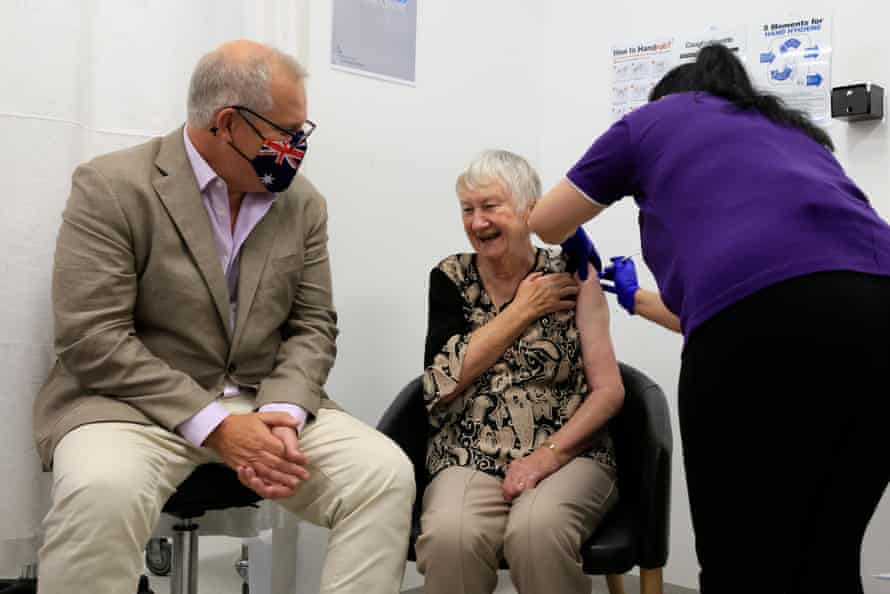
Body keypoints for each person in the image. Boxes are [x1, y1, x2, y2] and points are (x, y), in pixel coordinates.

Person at [33, 40, 414, 594]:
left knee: (383, 475)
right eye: (286, 134)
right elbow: (92, 337)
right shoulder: (113, 186)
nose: (296, 148)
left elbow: (313, 326)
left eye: (302, 132)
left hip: (263, 399)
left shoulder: (302, 203)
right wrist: (215, 424)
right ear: (228, 123)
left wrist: (283, 411)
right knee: (101, 491)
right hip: (132, 405)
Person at [529, 43, 890, 594]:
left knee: (737, 560)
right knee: (828, 551)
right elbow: (754, 301)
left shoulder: (649, 121)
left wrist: (571, 233)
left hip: (760, 329)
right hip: (878, 315)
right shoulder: (790, 133)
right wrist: (634, 298)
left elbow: (545, 220)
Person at [417, 150, 624, 594]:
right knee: (452, 536)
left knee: (537, 532)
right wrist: (523, 311)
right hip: (468, 449)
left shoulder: (574, 271)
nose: (477, 222)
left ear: (531, 210)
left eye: (490, 206)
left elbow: (609, 391)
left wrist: (548, 454)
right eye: (467, 210)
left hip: (570, 450)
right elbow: (438, 386)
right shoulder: (451, 276)